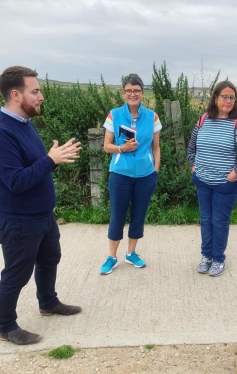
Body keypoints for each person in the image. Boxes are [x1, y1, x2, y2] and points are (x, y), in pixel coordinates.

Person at [0, 66, 82, 345]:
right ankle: (6, 326)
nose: (41, 96)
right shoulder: (0, 133)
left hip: (41, 215)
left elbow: (34, 167)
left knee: (49, 259)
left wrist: (51, 158)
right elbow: (16, 181)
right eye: (35, 91)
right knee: (17, 274)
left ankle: (48, 303)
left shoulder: (24, 124)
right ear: (16, 94)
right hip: (18, 220)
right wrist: (51, 160)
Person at [187, 81, 237, 277]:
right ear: (215, 98)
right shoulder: (203, 120)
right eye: (224, 97)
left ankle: (218, 259)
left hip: (226, 184)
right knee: (206, 219)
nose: (228, 101)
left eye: (232, 97)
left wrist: (234, 174)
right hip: (202, 180)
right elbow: (191, 147)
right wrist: (194, 165)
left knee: (219, 221)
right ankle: (206, 256)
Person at [99, 74, 161, 275]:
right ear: (123, 93)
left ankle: (131, 253)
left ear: (142, 93)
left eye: (136, 90)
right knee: (117, 215)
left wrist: (155, 172)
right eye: (129, 90)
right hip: (120, 174)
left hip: (145, 176)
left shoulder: (152, 116)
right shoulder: (114, 115)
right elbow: (106, 146)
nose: (132, 94)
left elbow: (156, 147)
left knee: (138, 216)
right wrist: (122, 148)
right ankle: (112, 257)